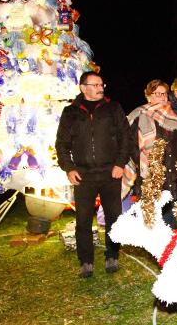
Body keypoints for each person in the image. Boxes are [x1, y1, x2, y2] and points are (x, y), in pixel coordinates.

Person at [55, 71, 132, 278]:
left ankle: (112, 255)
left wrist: (120, 163)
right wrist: (69, 168)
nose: (100, 88)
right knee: (83, 220)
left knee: (114, 217)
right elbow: (62, 144)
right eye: (95, 84)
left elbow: (126, 137)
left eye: (101, 84)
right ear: (83, 87)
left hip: (110, 173)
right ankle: (86, 261)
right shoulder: (70, 112)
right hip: (83, 175)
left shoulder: (113, 108)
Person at [124, 79, 177, 226]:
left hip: (173, 177)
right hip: (150, 177)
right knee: (152, 222)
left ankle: (167, 248)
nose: (162, 97)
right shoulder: (138, 116)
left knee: (169, 221)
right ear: (149, 96)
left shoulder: (176, 117)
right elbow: (130, 148)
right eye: (157, 94)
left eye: (164, 94)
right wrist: (150, 162)